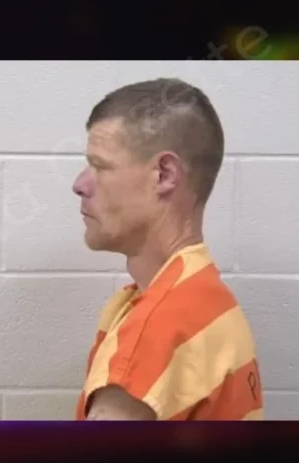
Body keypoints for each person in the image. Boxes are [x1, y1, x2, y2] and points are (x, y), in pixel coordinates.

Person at [72, 78, 263, 421]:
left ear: (164, 175)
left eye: (100, 166)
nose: (80, 184)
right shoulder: (208, 298)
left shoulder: (151, 338)